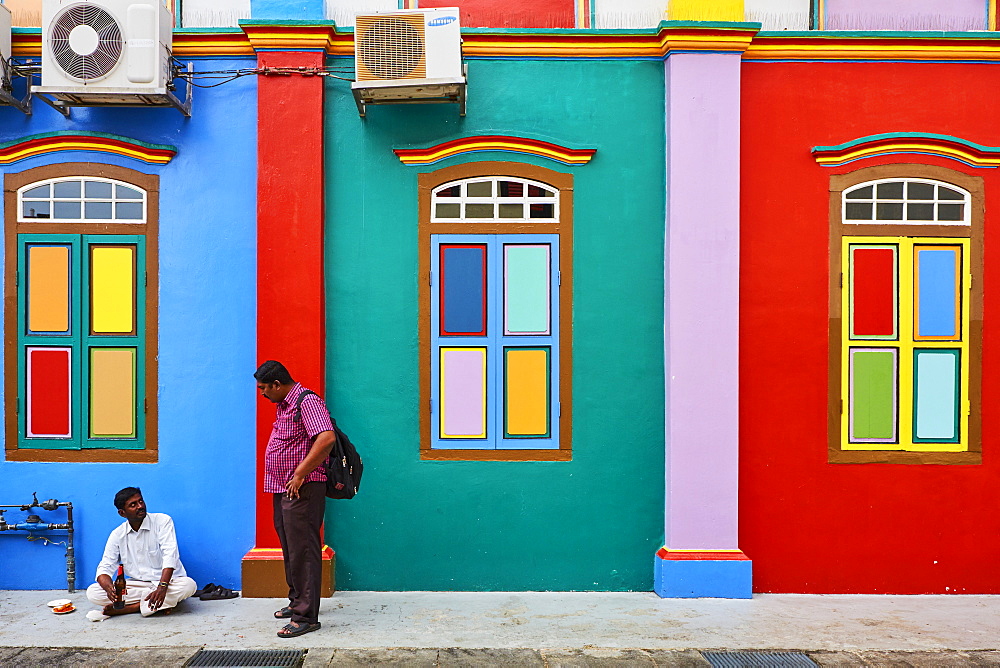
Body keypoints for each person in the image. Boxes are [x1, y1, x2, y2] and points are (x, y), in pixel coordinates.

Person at [255, 360, 336, 638]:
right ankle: (297, 601)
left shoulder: (307, 401)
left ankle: (306, 617)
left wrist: (300, 473)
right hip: (283, 486)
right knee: (290, 546)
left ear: (277, 384)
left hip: (303, 487)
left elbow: (326, 438)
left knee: (304, 549)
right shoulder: (284, 405)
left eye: (264, 388)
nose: (262, 393)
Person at [86, 487, 197, 617]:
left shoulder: (163, 521)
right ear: (122, 513)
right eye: (133, 505)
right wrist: (110, 589)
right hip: (139, 585)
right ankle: (159, 604)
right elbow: (105, 566)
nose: (140, 506)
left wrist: (162, 587)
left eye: (141, 501)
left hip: (168, 582)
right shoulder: (117, 534)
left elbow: (170, 556)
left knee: (189, 585)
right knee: (93, 592)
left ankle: (133, 608)